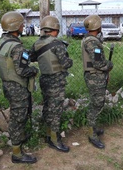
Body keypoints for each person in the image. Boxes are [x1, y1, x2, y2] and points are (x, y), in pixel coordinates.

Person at [0, 11, 38, 164]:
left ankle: (19, 138)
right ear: (15, 26)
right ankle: (17, 153)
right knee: (18, 118)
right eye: (21, 24)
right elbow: (22, 70)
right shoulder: (17, 47)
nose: (23, 26)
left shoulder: (3, 42)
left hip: (8, 84)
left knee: (17, 115)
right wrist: (34, 70)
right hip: (18, 86)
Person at [30, 16, 73, 153]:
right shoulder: (58, 44)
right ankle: (55, 140)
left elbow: (31, 57)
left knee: (48, 106)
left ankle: (48, 134)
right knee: (56, 110)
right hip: (56, 81)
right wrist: (70, 60)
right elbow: (66, 63)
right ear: (55, 29)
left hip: (44, 79)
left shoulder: (37, 44)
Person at [81, 15, 113, 149]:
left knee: (98, 103)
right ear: (97, 26)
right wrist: (109, 65)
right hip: (95, 77)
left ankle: (93, 127)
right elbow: (98, 63)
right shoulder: (92, 42)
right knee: (96, 104)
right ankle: (91, 133)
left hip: (97, 75)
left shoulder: (90, 40)